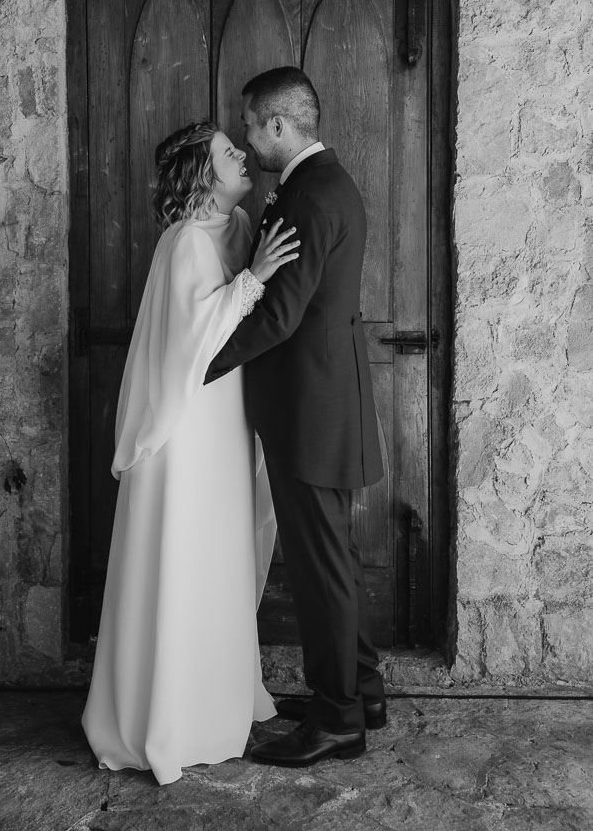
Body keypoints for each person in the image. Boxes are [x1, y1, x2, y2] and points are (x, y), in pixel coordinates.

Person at [82, 121, 300, 785]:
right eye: (227, 152)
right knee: (184, 549)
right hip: (188, 423)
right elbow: (191, 341)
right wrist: (254, 279)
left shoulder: (232, 231)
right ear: (202, 176)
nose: (242, 157)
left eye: (240, 146)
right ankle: (171, 715)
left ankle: (223, 697)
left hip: (226, 417)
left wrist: (255, 263)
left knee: (221, 551)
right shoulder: (182, 244)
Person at [205, 67, 385, 768]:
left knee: (320, 569)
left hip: (309, 409)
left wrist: (199, 364)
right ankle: (360, 690)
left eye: (250, 127)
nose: (247, 143)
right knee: (332, 556)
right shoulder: (323, 185)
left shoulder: (307, 198)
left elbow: (278, 316)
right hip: (326, 398)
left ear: (279, 125)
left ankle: (338, 719)